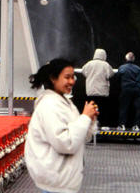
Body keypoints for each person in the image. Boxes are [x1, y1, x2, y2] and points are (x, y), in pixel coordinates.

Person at [25, 59, 98, 193]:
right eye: (67, 77)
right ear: (53, 78)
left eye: (73, 77)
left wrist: (89, 120)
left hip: (59, 181)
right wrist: (85, 117)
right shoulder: (50, 105)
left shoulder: (63, 103)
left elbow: (80, 137)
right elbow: (65, 143)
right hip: (56, 183)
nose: (72, 81)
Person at [81, 49, 114, 127]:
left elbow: (83, 71)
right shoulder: (105, 65)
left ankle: (91, 125)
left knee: (91, 109)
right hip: (102, 92)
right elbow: (110, 74)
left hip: (90, 91)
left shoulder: (88, 64)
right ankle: (103, 125)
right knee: (103, 110)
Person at [117, 51, 140, 130]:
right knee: (137, 108)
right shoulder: (138, 69)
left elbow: (118, 77)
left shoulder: (122, 67)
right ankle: (136, 125)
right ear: (133, 59)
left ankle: (122, 124)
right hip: (136, 90)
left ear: (126, 58)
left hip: (126, 89)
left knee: (124, 107)